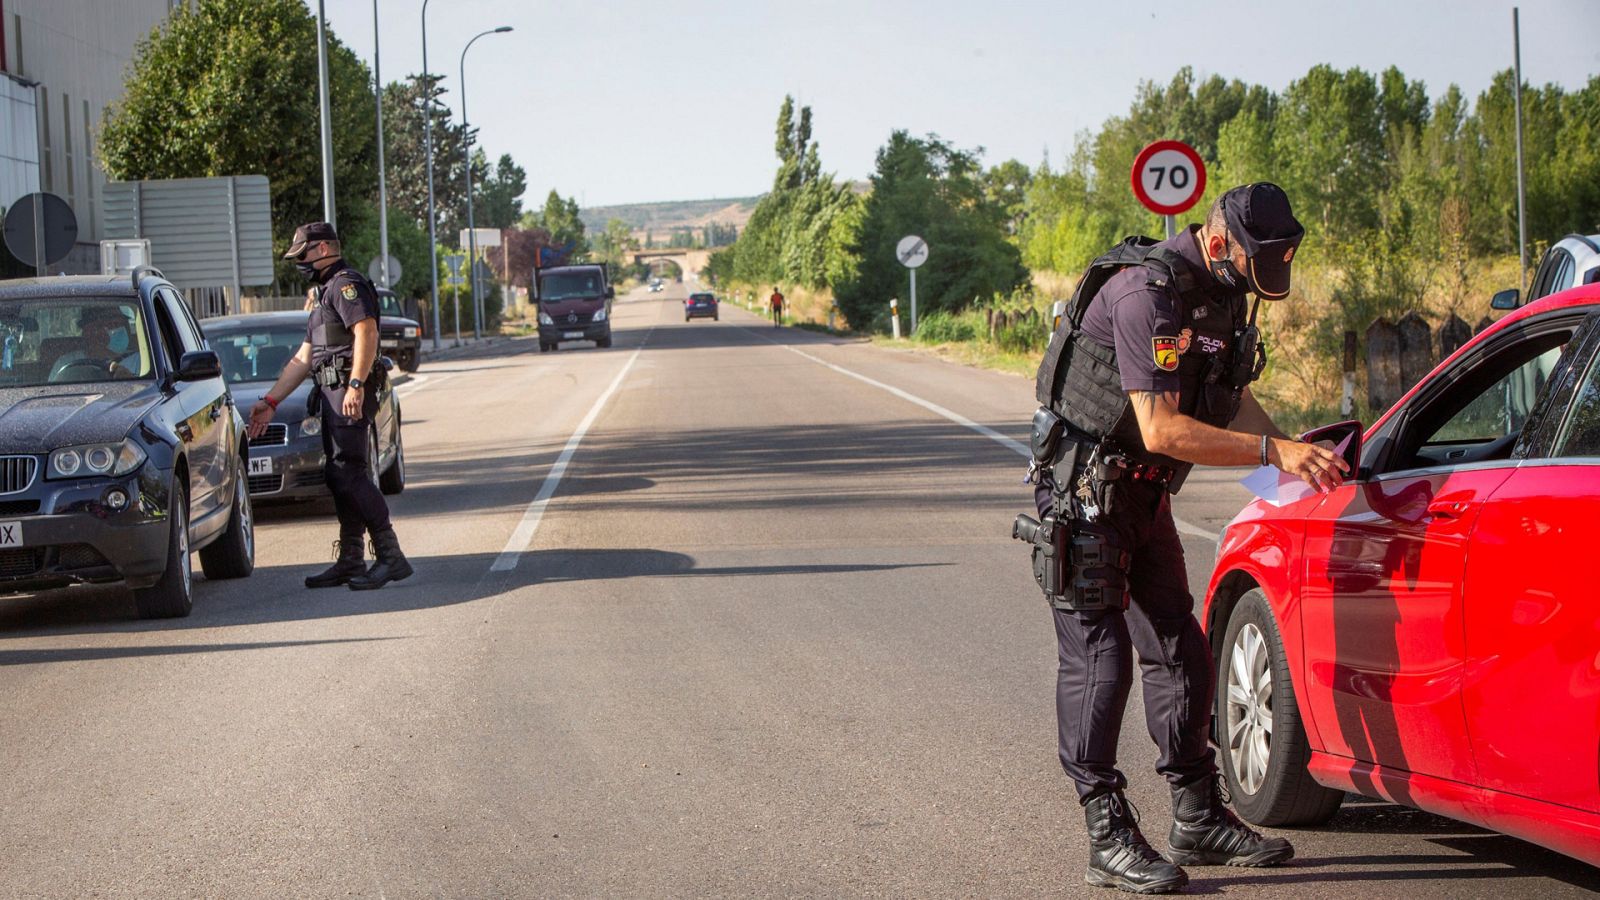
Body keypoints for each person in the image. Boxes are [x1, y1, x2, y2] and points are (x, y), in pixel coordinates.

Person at [1024, 183, 1347, 893]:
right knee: (1101, 662)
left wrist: (1299, 462)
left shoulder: (1223, 294)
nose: (1255, 282)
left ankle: (1197, 816)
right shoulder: (1148, 295)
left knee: (1182, 647)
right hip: (1083, 496)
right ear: (1219, 238)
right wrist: (1274, 456)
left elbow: (1230, 398)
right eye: (1252, 263)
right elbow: (1163, 428)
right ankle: (1106, 834)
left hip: (1141, 494)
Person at [248, 222, 413, 590]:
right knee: (338, 474)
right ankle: (351, 559)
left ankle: (390, 555)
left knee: (350, 472)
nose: (299, 262)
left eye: (302, 254)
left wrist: (355, 384)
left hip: (347, 391)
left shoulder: (345, 285)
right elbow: (303, 358)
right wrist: (271, 401)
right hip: (331, 393)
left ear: (322, 249)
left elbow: (366, 331)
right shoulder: (324, 294)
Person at [52, 306, 138, 380]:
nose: (120, 329)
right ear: (91, 331)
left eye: (121, 324)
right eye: (113, 324)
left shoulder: (140, 361)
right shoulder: (65, 363)